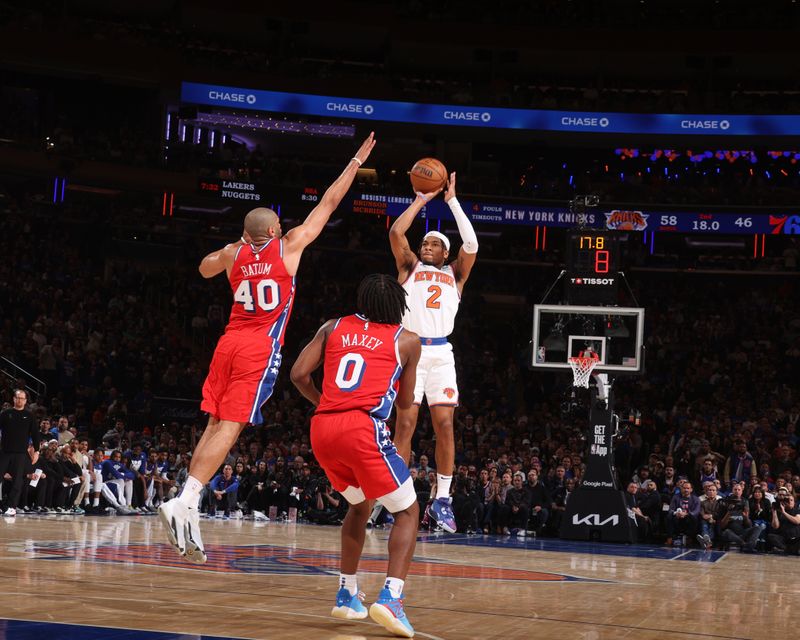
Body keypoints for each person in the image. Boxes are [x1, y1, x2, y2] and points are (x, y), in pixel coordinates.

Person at [159, 133, 376, 563]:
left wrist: (232, 248)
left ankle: (189, 498)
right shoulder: (288, 245)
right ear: (275, 230)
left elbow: (202, 270)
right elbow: (329, 204)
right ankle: (186, 500)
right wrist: (354, 162)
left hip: (228, 342)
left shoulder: (232, 254)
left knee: (214, 422)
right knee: (232, 426)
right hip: (259, 346)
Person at [290, 274, 421, 638]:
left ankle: (348, 593)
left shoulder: (332, 327)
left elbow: (299, 374)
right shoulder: (407, 340)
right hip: (363, 428)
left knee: (359, 506)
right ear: (398, 306)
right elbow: (406, 402)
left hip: (322, 428)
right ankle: (392, 597)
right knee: (408, 511)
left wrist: (327, 405)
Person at [389, 172, 479, 533]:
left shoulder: (456, 274)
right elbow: (397, 233)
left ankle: (442, 499)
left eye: (433, 243)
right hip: (410, 351)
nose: (425, 245)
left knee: (445, 426)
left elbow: (471, 244)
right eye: (424, 241)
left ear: (444, 252)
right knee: (405, 425)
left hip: (441, 354)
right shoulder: (409, 267)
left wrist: (452, 201)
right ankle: (395, 493)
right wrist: (421, 200)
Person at [0, 390, 41, 516]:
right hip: (5, 452)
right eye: (18, 398)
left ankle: (11, 506)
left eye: (22, 398)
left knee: (18, 481)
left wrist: (37, 451)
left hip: (21, 454)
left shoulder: (29, 416)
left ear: (25, 400)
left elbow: (35, 434)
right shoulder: (5, 413)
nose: (20, 400)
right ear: (14, 399)